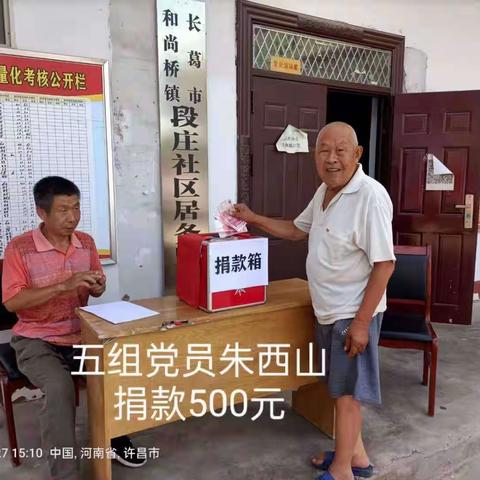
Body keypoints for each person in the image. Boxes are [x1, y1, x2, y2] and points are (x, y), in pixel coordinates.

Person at [232, 122, 395, 480]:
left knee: (347, 396)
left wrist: (362, 323)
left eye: (340, 150)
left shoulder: (370, 196)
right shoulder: (325, 191)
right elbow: (296, 229)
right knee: (340, 390)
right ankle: (358, 458)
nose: (331, 158)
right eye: (323, 150)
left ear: (357, 154)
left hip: (351, 313)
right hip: (329, 310)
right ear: (315, 155)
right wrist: (253, 218)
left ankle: (341, 471)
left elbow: (384, 264)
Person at [2, 176, 146, 480]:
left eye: (77, 208)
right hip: (35, 338)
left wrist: (97, 285)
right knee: (59, 387)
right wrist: (63, 285)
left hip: (81, 333)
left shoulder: (86, 243)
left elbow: (94, 292)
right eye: (64, 210)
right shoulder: (20, 249)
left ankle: (115, 439)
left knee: (120, 369)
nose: (73, 217)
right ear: (42, 213)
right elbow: (12, 302)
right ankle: (65, 472)